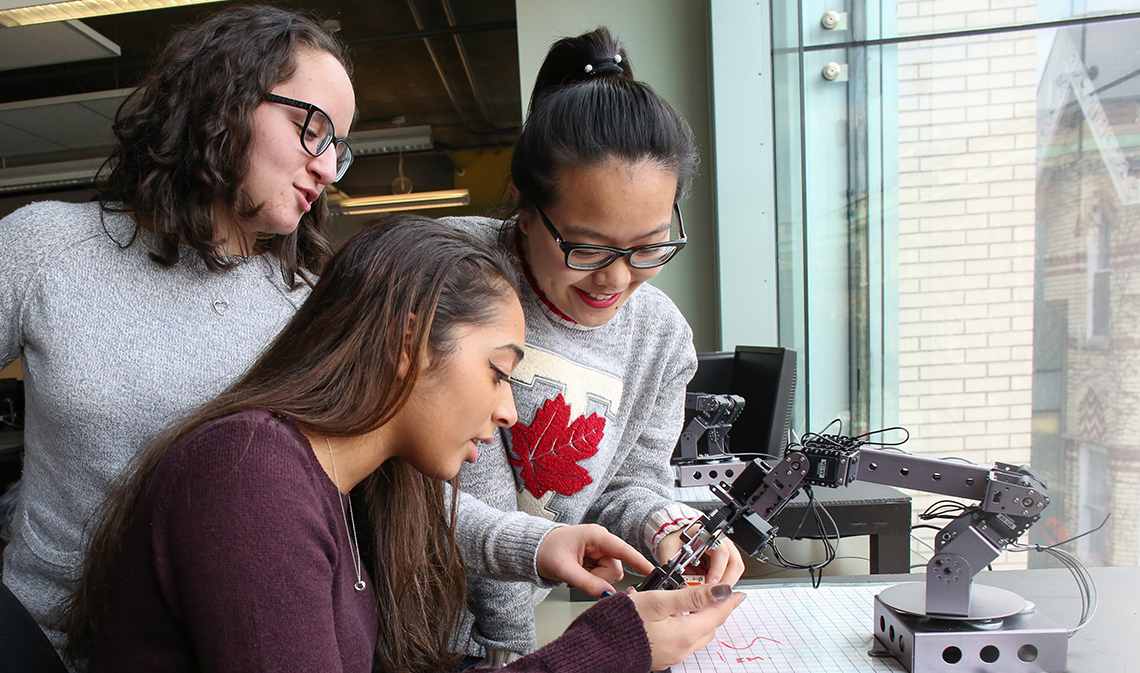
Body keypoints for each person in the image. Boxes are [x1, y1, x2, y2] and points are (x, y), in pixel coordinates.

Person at [60, 216, 745, 673]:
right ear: (407, 342)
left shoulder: (333, 483)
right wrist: (608, 648)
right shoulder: (247, 481)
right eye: (498, 371)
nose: (509, 409)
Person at [0, 6, 356, 650]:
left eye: (339, 147)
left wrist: (532, 543)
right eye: (313, 128)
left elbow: (376, 478)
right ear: (224, 96)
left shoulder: (310, 307)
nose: (327, 167)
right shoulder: (45, 246)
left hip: (216, 652)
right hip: (36, 642)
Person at [446, 27, 747, 666]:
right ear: (525, 206)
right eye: (585, 246)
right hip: (399, 626)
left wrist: (668, 529)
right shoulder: (450, 270)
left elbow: (626, 484)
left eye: (648, 246)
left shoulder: (660, 336)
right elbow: (389, 483)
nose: (615, 278)